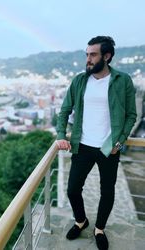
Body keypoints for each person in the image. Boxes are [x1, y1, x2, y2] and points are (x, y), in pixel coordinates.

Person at [56, 36, 137, 250]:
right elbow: (64, 111)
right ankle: (81, 221)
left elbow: (131, 115)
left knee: (107, 191)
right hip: (82, 145)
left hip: (109, 147)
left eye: (93, 55)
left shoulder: (123, 80)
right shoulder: (80, 81)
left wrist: (119, 142)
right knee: (73, 189)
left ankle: (99, 229)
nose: (88, 59)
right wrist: (60, 136)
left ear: (107, 56)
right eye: (87, 55)